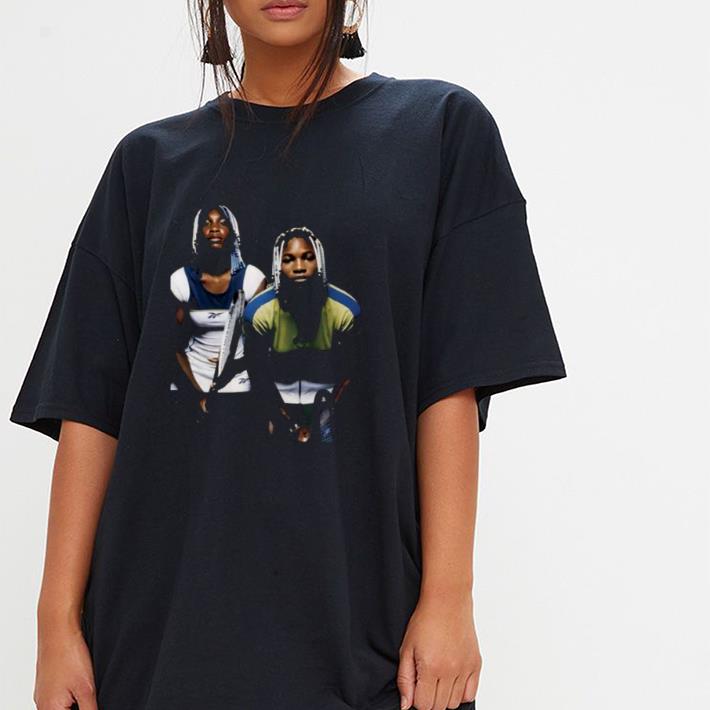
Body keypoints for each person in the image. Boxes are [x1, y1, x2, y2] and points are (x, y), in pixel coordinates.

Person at [9, 1, 567, 709]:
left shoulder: (438, 131)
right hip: (161, 639)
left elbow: (450, 384)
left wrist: (449, 598)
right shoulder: (147, 166)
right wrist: (55, 623)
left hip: (368, 633)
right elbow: (90, 408)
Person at [245, 226, 360, 443]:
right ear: (278, 264)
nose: (299, 267)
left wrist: (326, 415)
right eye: (289, 259)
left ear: (319, 261)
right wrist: (281, 417)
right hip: (277, 402)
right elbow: (256, 370)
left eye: (308, 258)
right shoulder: (259, 311)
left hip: (328, 404)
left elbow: (352, 370)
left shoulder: (344, 309)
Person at [170, 204, 266, 412]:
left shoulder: (252, 279)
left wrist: (229, 370)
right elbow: (174, 347)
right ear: (197, 234)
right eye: (207, 223)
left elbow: (259, 347)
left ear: (233, 233)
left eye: (222, 223)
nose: (214, 228)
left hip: (237, 380)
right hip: (191, 380)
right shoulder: (181, 281)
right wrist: (198, 393)